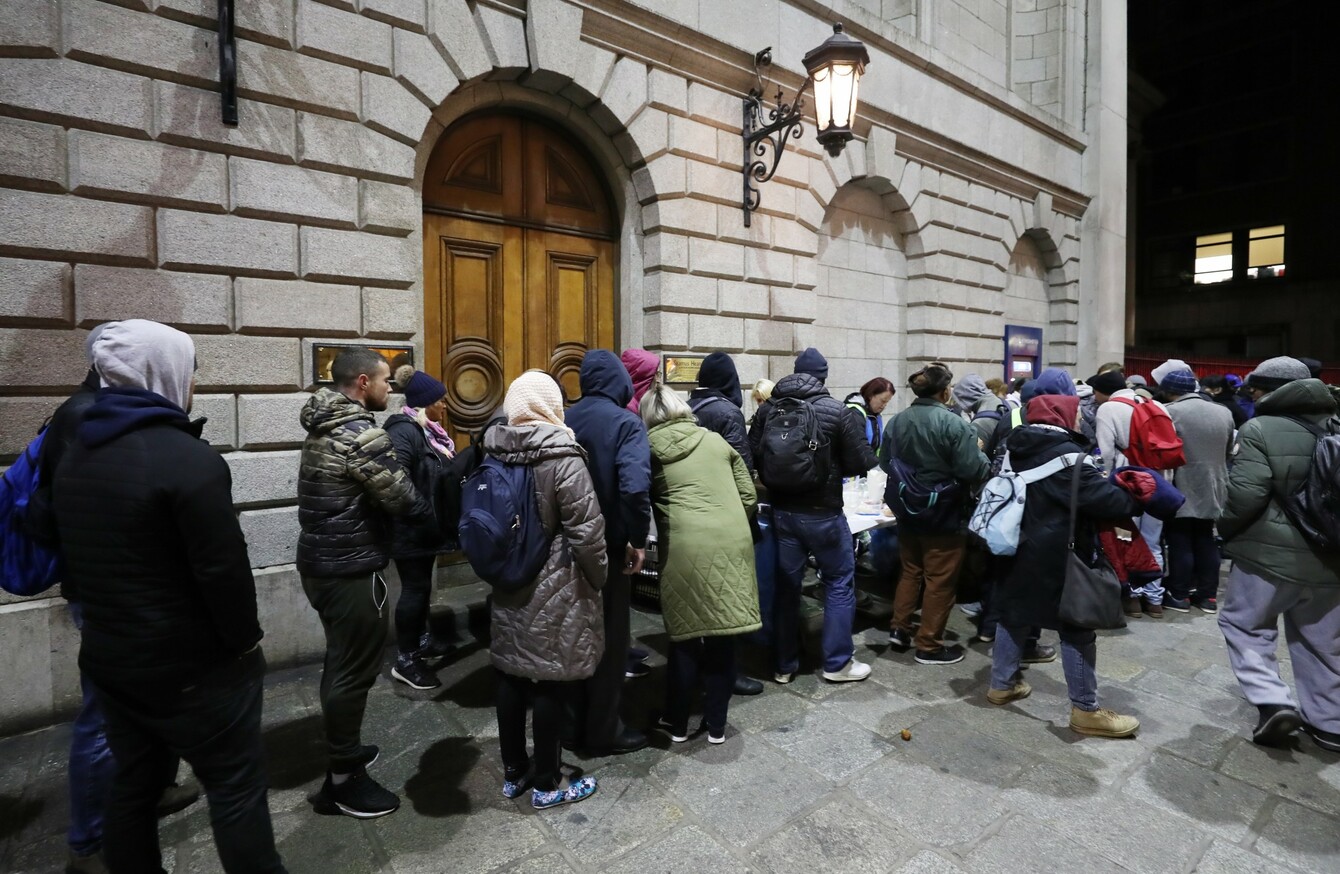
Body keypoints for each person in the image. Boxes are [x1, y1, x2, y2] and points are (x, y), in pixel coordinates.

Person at [50, 320, 287, 873]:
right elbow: (222, 570)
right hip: (192, 666)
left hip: (111, 656)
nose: (194, 383)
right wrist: (245, 645)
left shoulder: (77, 449)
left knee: (133, 785)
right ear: (163, 371)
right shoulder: (187, 458)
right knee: (235, 788)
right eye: (191, 370)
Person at [36, 325, 200, 874]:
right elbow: (79, 514)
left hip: (141, 591)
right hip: (111, 594)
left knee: (149, 706)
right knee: (104, 717)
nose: (192, 381)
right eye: (187, 367)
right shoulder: (84, 417)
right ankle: (88, 842)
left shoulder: (117, 412)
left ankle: (150, 789)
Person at [297, 348, 434, 818]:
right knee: (352, 673)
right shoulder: (360, 433)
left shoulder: (323, 425)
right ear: (361, 382)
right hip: (350, 567)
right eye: (384, 380)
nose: (389, 388)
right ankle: (343, 782)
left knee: (341, 662)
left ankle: (346, 751)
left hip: (323, 563)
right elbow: (404, 499)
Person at [986, 393, 1143, 738]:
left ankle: (1001, 685)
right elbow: (1111, 503)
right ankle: (1086, 710)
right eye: (1076, 415)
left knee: (1013, 614)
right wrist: (1132, 492)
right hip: (1059, 554)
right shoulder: (1071, 459)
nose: (1079, 420)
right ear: (1063, 417)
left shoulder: (1013, 447)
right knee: (1076, 626)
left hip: (1015, 545)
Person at [486, 371, 606, 808]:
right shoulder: (563, 456)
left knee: (511, 673)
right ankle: (548, 784)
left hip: (507, 579)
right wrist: (599, 577)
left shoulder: (494, 449)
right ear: (551, 405)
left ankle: (514, 772)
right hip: (555, 583)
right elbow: (587, 533)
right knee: (550, 679)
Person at [1217, 357, 1340, 752]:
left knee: (1245, 625)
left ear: (1270, 389)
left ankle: (1273, 702)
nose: (1250, 392)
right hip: (1331, 558)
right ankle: (1330, 724)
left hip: (1269, 555)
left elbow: (1245, 495)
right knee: (1324, 641)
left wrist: (1225, 529)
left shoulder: (1260, 428)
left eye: (1255, 386)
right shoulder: (1336, 424)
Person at [749, 347, 879, 683]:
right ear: (823, 376)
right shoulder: (836, 410)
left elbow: (753, 453)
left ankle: (784, 665)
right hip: (823, 513)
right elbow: (861, 461)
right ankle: (837, 664)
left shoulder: (768, 409)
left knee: (787, 587)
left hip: (782, 512)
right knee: (838, 582)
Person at [643, 385, 761, 743]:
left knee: (685, 637)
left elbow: (638, 496)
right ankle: (717, 725)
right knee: (723, 635)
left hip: (684, 547)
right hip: (732, 542)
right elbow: (748, 495)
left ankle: (677, 724)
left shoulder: (648, 448)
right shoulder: (714, 441)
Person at [565, 350, 653, 755]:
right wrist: (638, 538)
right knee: (611, 641)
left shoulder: (565, 418)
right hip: (609, 547)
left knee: (572, 637)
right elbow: (634, 487)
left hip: (566, 547)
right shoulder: (625, 422)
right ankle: (603, 731)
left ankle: (569, 725)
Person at [882, 363, 990, 665]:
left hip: (907, 510)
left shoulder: (897, 421)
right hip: (944, 512)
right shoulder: (955, 424)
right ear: (944, 392)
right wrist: (979, 449)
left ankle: (900, 628)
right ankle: (929, 645)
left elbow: (884, 462)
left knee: (910, 570)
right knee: (940, 579)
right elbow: (974, 469)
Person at [689, 351, 765, 696]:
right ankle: (726, 673)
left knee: (701, 597)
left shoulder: (689, 407)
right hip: (723, 515)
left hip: (694, 513)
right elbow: (741, 470)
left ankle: (700, 667)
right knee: (727, 598)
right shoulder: (728, 412)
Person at [385, 367, 461, 691]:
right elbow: (397, 480)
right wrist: (425, 514)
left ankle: (420, 641)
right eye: (440, 400)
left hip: (424, 528)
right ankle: (406, 660)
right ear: (425, 403)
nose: (444, 405)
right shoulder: (404, 432)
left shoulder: (427, 431)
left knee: (421, 587)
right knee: (414, 589)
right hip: (411, 529)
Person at [1091, 367, 1167, 617]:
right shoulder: (1155, 404)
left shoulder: (1108, 409)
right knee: (1153, 540)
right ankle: (1155, 600)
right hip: (1157, 481)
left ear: (1102, 392)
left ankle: (1132, 597)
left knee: (1126, 537)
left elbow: (1106, 452)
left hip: (1128, 481)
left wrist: (1104, 483)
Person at [1160, 368, 1235, 614]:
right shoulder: (1223, 411)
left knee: (1180, 539)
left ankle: (1179, 595)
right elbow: (1228, 451)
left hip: (1182, 483)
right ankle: (1208, 597)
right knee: (1206, 538)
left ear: (1168, 391)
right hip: (1215, 483)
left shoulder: (1170, 412)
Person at [844, 377, 896, 452]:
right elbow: (859, 448)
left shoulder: (876, 415)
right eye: (883, 401)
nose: (884, 405)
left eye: (887, 402)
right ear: (870, 395)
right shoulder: (854, 412)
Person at [621, 348, 659, 413]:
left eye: (659, 374)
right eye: (655, 374)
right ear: (642, 376)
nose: (658, 380)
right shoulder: (629, 410)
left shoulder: (627, 402)